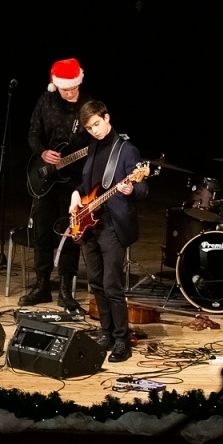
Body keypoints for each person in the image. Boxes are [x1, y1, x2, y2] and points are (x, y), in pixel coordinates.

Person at [69, 100, 149, 362]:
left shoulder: (126, 150)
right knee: (95, 283)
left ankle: (121, 339)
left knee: (112, 284)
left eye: (97, 124)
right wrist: (75, 196)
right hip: (90, 224)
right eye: (89, 128)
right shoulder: (93, 147)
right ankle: (105, 332)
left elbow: (143, 188)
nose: (94, 131)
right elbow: (86, 184)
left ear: (107, 118)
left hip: (113, 225)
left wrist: (131, 188)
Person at [23, 57, 92, 314]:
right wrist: (42, 152)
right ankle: (41, 285)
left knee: (69, 234)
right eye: (65, 89)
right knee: (41, 232)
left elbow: (98, 138)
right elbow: (33, 133)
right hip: (45, 175)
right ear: (56, 86)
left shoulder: (88, 105)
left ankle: (65, 289)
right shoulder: (45, 101)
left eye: (73, 88)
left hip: (74, 180)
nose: (70, 92)